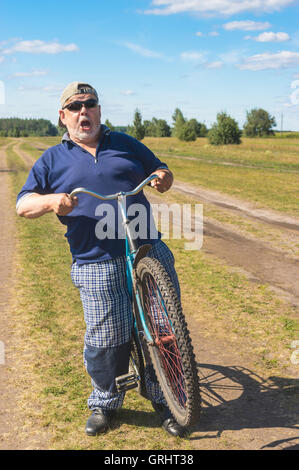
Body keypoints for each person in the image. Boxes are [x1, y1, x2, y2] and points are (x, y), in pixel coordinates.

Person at [16, 82, 186, 437]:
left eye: (89, 104)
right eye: (75, 107)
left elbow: (159, 169)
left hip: (147, 249)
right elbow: (23, 205)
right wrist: (50, 202)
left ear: (98, 111)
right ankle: (105, 402)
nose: (83, 112)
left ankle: (167, 399)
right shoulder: (52, 159)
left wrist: (161, 177)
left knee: (163, 329)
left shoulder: (124, 143)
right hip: (94, 260)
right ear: (63, 117)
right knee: (107, 339)